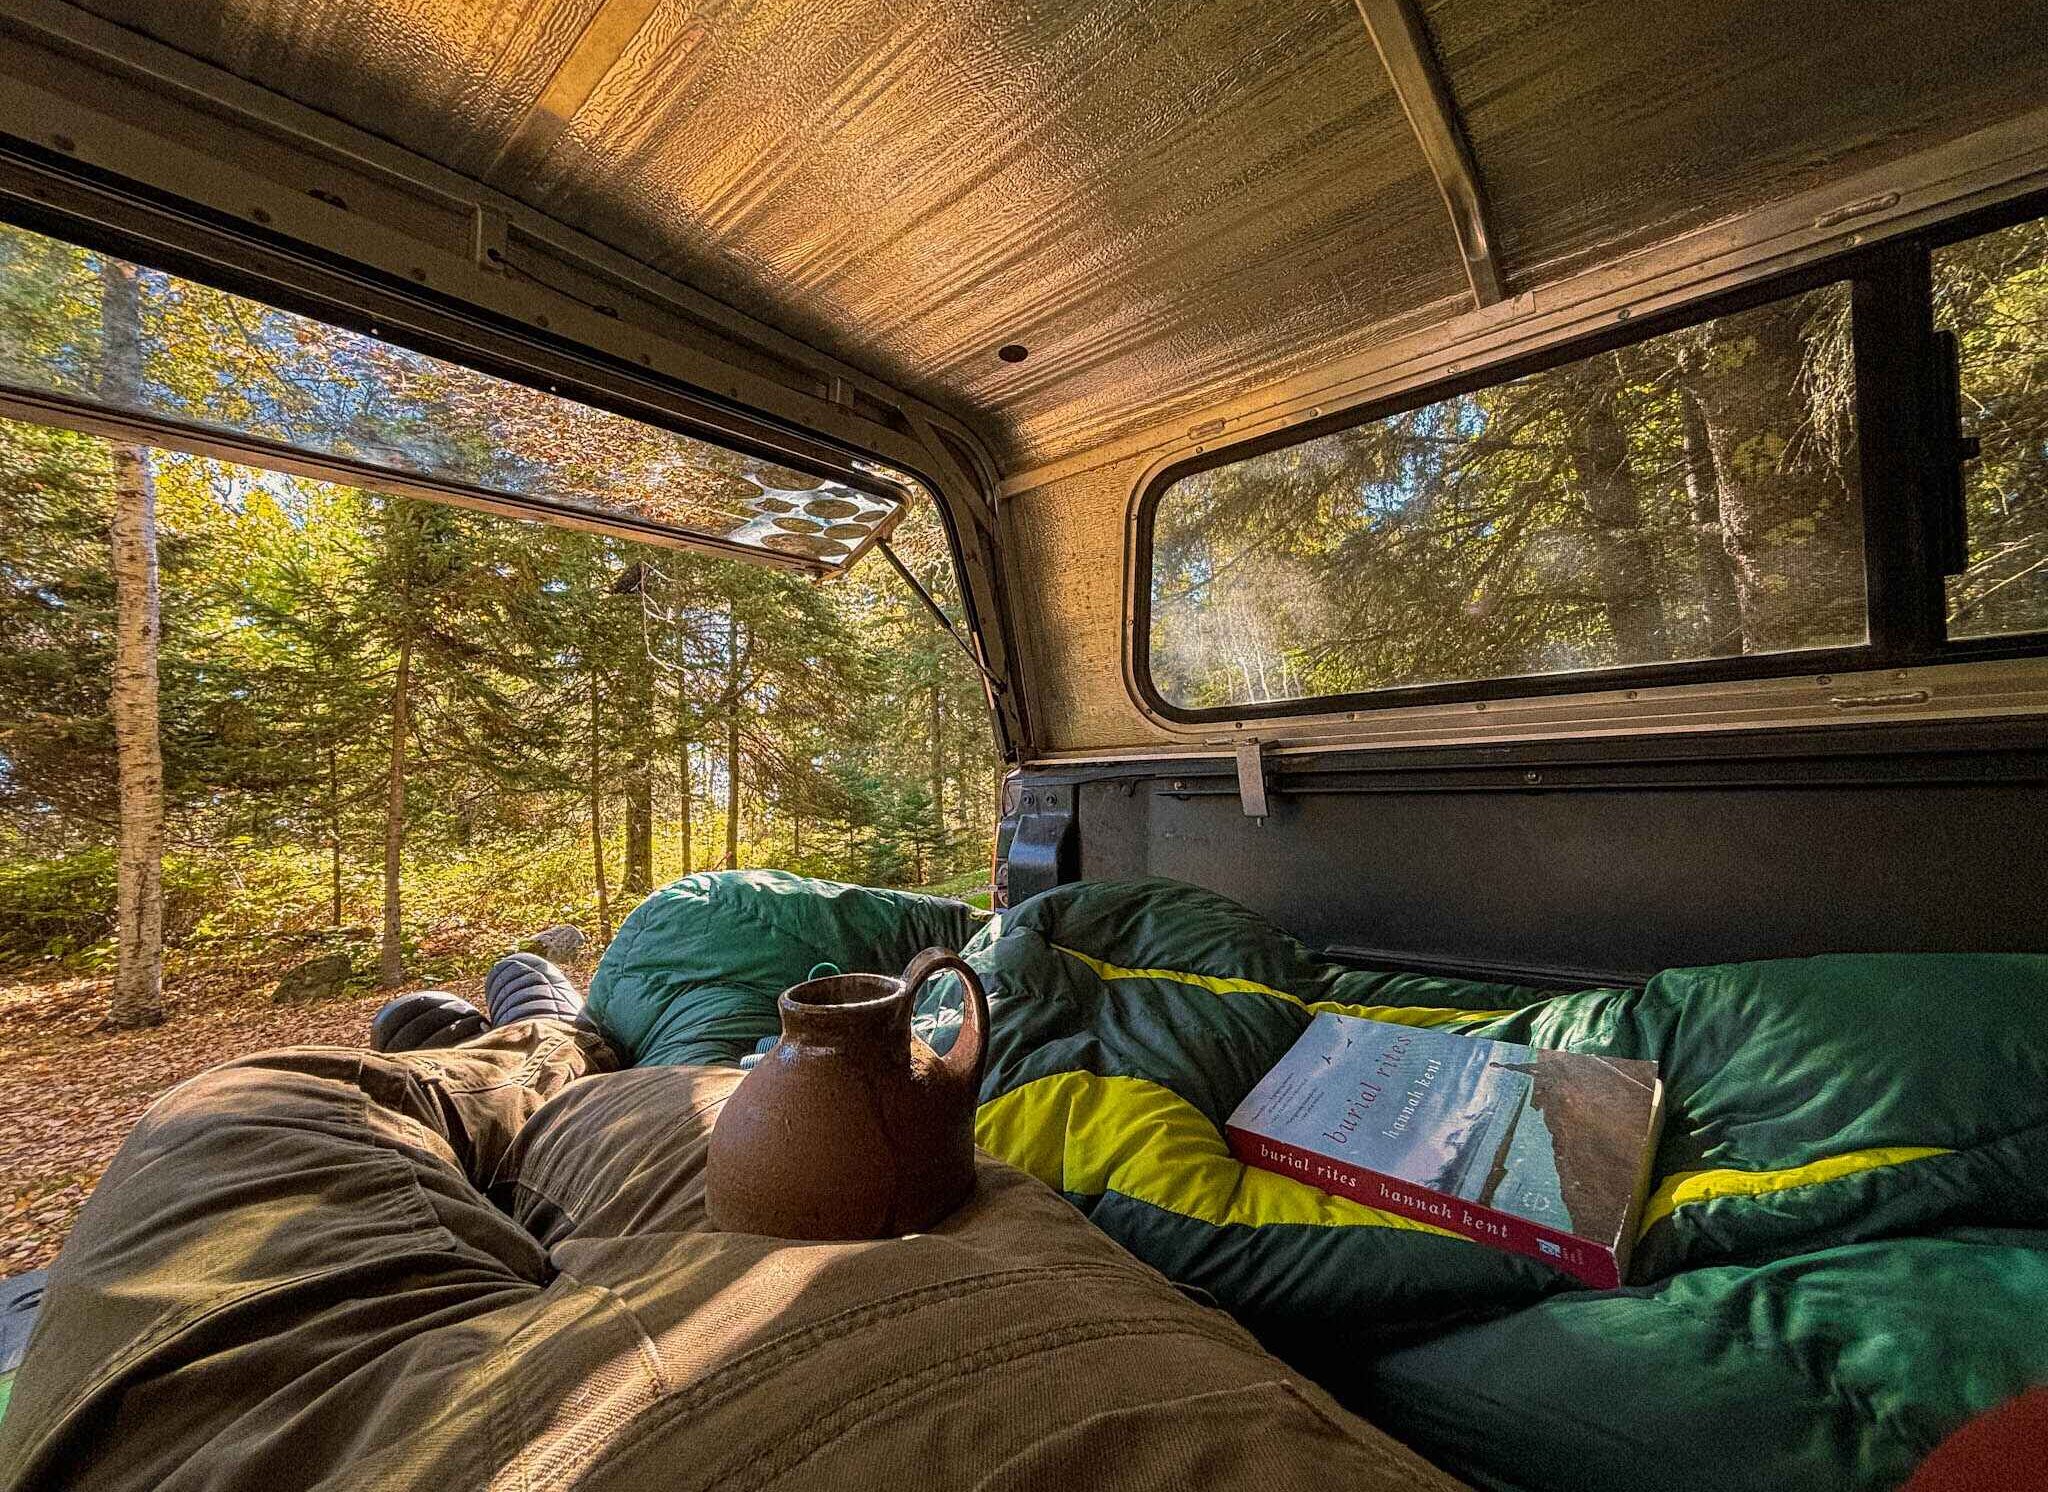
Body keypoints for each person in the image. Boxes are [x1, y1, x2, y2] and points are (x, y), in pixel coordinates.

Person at [0, 956, 1465, 1491]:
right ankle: (538, 1037)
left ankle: (527, 1034)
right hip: (954, 1273)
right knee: (665, 1107)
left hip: (336, 1433)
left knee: (261, 1096)